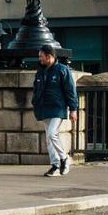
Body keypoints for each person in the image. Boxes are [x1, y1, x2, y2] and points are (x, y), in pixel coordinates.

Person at [32, 46, 78, 177]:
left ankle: (64, 159)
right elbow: (36, 88)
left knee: (52, 134)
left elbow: (70, 90)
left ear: (49, 56)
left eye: (41, 56)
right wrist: (35, 101)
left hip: (58, 108)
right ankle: (55, 165)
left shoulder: (62, 70)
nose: (39, 58)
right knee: (48, 138)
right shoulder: (40, 71)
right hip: (44, 107)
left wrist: (73, 109)